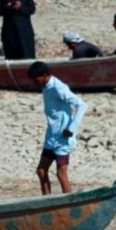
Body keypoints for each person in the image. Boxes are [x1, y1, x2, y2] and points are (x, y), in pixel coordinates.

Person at [29, 61, 86, 194]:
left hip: (62, 140)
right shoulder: (45, 87)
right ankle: (47, 203)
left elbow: (82, 105)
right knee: (41, 171)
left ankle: (69, 205)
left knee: (61, 174)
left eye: (35, 79)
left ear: (44, 75)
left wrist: (72, 129)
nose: (34, 83)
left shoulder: (58, 88)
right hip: (51, 138)